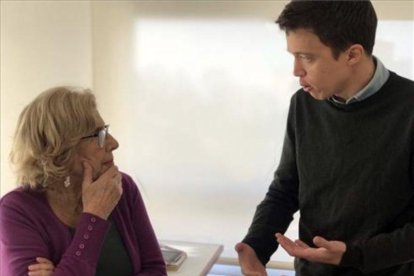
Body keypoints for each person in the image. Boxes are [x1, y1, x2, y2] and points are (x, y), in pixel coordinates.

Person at [235, 1, 414, 275]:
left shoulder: (409, 109)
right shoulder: (303, 104)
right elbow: (286, 189)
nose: (296, 70)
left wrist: (354, 255)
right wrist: (255, 248)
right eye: (293, 56)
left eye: (307, 57)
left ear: (352, 54)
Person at [0, 87, 167, 276]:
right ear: (61, 148)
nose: (114, 143)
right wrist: (94, 216)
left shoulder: (122, 186)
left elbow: (156, 270)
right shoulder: (17, 210)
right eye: (99, 135)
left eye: (106, 131)